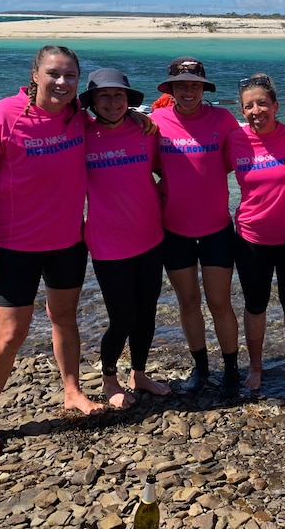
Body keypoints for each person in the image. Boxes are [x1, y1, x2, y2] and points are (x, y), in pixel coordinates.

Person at [0, 45, 104, 458]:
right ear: (35, 75)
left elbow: (114, 116)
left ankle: (72, 391)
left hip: (67, 242)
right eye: (53, 74)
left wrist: (138, 120)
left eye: (70, 76)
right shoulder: (1, 116)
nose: (61, 82)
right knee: (10, 335)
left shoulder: (78, 115)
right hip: (12, 245)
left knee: (64, 318)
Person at [150, 56, 246, 397]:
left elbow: (251, 149)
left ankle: (232, 370)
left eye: (194, 85)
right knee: (188, 301)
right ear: (171, 89)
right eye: (181, 85)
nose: (188, 91)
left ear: (203, 88)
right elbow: (140, 163)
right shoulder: (156, 121)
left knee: (220, 303)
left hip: (216, 228)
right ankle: (201, 368)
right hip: (173, 230)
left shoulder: (222, 119)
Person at [80, 68, 171, 408]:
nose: (113, 102)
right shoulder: (81, 135)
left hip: (150, 236)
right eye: (104, 96)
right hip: (107, 243)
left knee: (147, 311)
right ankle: (109, 380)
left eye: (119, 96)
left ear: (129, 100)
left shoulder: (145, 131)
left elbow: (169, 169)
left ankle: (140, 373)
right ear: (92, 102)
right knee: (122, 317)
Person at [227, 73, 285, 393]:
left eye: (262, 103)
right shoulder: (234, 140)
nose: (256, 111)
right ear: (241, 111)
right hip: (251, 239)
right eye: (248, 106)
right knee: (255, 305)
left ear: (275, 106)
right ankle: (255, 367)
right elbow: (198, 166)